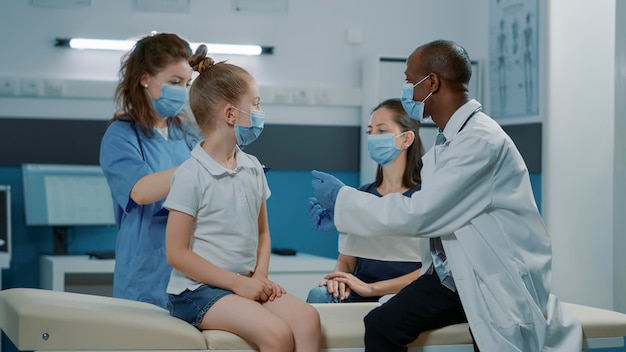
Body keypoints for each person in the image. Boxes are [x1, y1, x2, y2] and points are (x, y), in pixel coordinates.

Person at [309, 40, 582, 351]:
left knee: (485, 335)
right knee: (381, 324)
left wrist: (342, 199)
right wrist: (346, 211)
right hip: (451, 276)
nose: (407, 90)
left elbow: (422, 213)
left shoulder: (480, 141)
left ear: (432, 82)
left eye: (410, 81)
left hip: (491, 277)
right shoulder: (450, 140)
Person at [164, 45, 321, 352]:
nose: (261, 113)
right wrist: (239, 284)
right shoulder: (190, 174)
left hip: (245, 281)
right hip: (196, 291)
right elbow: (177, 253)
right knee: (276, 334)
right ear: (231, 114)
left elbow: (263, 233)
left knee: (307, 320)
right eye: (257, 104)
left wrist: (259, 277)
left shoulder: (252, 167)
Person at [100, 33, 201, 309]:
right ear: (146, 79)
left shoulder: (187, 135)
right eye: (174, 82)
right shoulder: (121, 135)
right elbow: (141, 191)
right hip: (145, 269)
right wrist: (201, 166)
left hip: (192, 264)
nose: (182, 90)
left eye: (187, 83)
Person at [307, 98, 422, 304]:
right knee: (319, 296)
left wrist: (372, 288)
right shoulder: (360, 196)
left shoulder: (425, 198)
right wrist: (338, 279)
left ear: (406, 139)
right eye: (370, 132)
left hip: (404, 295)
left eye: (382, 131)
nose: (373, 138)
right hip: (359, 291)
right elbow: (346, 261)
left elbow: (430, 270)